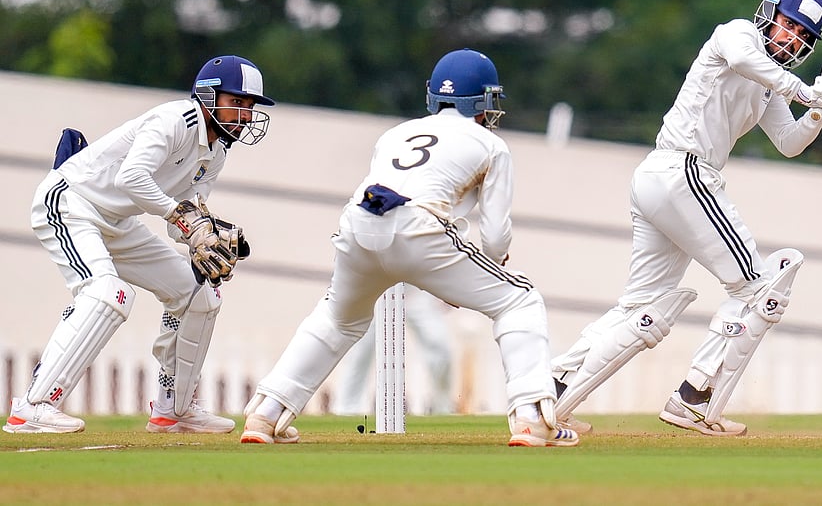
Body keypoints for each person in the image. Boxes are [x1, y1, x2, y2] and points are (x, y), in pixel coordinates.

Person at [550, 0, 822, 436]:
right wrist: (812, 94)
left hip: (663, 181)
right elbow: (745, 61)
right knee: (761, 289)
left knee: (642, 306)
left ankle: (555, 388)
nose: (791, 38)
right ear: (768, 13)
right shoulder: (736, 34)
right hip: (684, 172)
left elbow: (790, 142)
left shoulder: (770, 87)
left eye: (802, 35)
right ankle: (694, 397)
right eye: (788, 24)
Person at [240, 48, 579, 448]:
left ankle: (266, 412)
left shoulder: (394, 134)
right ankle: (531, 419)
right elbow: (494, 235)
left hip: (359, 221)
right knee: (519, 299)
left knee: (337, 318)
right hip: (418, 226)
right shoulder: (491, 145)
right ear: (485, 100)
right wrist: (481, 271)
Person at [4, 55, 273, 434]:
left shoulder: (216, 153)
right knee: (108, 293)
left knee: (200, 293)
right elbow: (132, 180)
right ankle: (33, 407)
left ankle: (173, 409)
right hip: (70, 202)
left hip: (117, 222)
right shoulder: (175, 121)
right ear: (208, 96)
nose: (244, 115)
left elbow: (182, 218)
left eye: (250, 107)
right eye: (238, 103)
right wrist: (182, 218)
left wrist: (203, 235)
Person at [330, 285, 456, 416]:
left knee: (441, 349)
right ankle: (347, 409)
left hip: (417, 290)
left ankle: (443, 408)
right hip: (377, 291)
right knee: (358, 354)